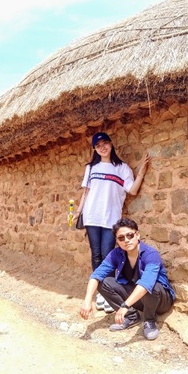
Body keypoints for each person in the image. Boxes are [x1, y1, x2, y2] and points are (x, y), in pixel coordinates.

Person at [73, 132, 149, 313]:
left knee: (108, 256)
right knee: (96, 255)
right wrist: (78, 211)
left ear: (111, 144)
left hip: (110, 217)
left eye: (105, 143)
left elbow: (132, 190)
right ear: (95, 149)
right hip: (92, 216)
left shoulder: (122, 168)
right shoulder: (91, 167)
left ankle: (106, 293)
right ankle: (100, 292)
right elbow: (86, 192)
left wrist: (141, 173)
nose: (102, 148)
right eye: (98, 146)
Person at [78, 218, 175, 340]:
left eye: (130, 235)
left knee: (152, 286)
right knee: (103, 282)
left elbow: (146, 283)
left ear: (137, 235)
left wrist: (124, 306)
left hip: (160, 300)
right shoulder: (116, 254)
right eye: (121, 238)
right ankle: (132, 317)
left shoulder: (150, 254)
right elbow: (96, 275)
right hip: (139, 299)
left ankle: (149, 320)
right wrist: (87, 300)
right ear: (117, 240)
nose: (126, 240)